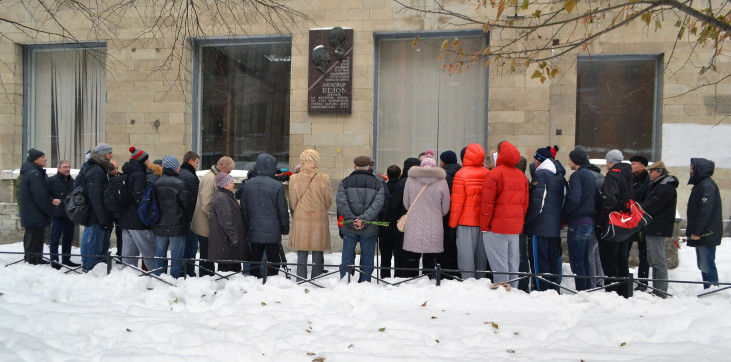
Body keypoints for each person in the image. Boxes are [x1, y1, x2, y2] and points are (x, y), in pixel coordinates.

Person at [481, 141, 530, 289]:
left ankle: (502, 292)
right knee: (512, 263)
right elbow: (525, 204)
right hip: (514, 228)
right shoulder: (521, 176)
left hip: (496, 227)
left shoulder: (494, 174)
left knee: (499, 264)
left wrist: (485, 226)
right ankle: (513, 292)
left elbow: (487, 203)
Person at [337, 156, 385, 282]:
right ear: (369, 166)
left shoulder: (345, 182)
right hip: (369, 226)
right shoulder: (378, 182)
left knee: (347, 256)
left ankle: (345, 280)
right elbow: (378, 204)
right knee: (368, 256)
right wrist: (363, 219)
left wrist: (353, 219)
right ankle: (365, 281)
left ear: (354, 166)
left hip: (349, 226)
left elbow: (341, 203)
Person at [402, 151, 450, 276]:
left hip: (414, 223)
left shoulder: (410, 180)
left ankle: (411, 281)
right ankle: (428, 280)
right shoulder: (442, 181)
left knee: (413, 256)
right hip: (435, 225)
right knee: (430, 258)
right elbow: (445, 208)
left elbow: (406, 203)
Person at [242, 153, 290, 278]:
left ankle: (254, 280)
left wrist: (246, 227)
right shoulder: (277, 185)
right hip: (272, 229)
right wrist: (285, 228)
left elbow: (244, 209)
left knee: (255, 257)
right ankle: (272, 280)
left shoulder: (248, 184)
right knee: (273, 258)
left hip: (253, 228)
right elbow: (282, 210)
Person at [525, 147, 566, 292]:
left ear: (539, 160)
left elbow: (538, 203)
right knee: (551, 261)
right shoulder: (559, 175)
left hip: (539, 226)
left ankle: (541, 290)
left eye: (535, 159)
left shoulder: (541, 174)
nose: (534, 162)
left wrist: (528, 220)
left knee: (539, 262)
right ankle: (552, 290)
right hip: (554, 227)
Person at [288, 149, 332, 281]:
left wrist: (302, 209)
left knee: (302, 250)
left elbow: (292, 201)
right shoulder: (323, 178)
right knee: (318, 249)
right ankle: (316, 277)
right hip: (319, 217)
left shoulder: (294, 178)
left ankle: (300, 277)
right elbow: (328, 201)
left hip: (301, 216)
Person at [449, 143, 489, 280]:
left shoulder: (461, 174)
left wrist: (452, 225)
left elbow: (457, 203)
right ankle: (481, 281)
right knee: (481, 257)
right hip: (483, 222)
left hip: (465, 222)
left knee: (466, 256)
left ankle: (468, 282)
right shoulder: (488, 173)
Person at [597, 149, 633, 298]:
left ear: (609, 162)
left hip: (613, 221)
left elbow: (609, 200)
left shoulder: (613, 175)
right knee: (621, 257)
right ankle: (624, 290)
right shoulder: (628, 174)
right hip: (625, 221)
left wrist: (600, 221)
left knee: (609, 257)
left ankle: (612, 291)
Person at [191, 156, 234, 277]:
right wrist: (218, 220)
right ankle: (206, 276)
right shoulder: (211, 179)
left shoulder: (214, 177)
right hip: (205, 223)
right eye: (229, 171)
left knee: (208, 252)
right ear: (222, 168)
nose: (229, 174)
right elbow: (207, 204)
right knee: (206, 253)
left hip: (207, 222)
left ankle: (208, 275)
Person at [640, 161, 678, 296]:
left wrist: (640, 207)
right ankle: (657, 289)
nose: (650, 174)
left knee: (658, 261)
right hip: (655, 227)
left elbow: (651, 206)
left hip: (657, 228)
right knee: (655, 261)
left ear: (659, 172)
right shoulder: (661, 186)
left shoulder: (664, 187)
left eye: (652, 171)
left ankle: (661, 291)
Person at [562, 147, 597, 291]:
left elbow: (574, 199)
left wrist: (566, 214)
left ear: (575, 160)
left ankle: (582, 290)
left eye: (570, 159)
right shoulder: (590, 175)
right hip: (590, 222)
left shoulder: (577, 175)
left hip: (578, 222)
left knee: (577, 261)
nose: (569, 162)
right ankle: (588, 288)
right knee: (585, 259)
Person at [686, 158, 722, 289]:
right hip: (704, 232)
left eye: (692, 168)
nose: (690, 171)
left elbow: (704, 211)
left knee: (707, 264)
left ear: (699, 169)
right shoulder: (702, 184)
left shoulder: (706, 185)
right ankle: (708, 288)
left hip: (706, 233)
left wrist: (697, 231)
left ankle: (712, 289)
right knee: (703, 264)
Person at [153, 156, 190, 278]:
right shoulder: (179, 183)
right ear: (174, 167)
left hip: (160, 224)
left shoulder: (157, 183)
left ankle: (159, 276)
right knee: (176, 256)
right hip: (177, 224)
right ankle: (174, 279)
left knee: (160, 254)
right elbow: (186, 204)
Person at [119, 147, 156, 271]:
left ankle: (127, 276)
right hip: (138, 220)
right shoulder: (139, 174)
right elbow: (139, 197)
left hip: (126, 218)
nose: (148, 161)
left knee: (129, 253)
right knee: (150, 251)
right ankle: (156, 276)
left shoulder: (126, 172)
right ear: (142, 160)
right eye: (147, 159)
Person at [80, 143, 114, 271]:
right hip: (95, 213)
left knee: (98, 241)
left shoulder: (99, 168)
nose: (111, 155)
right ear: (103, 154)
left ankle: (94, 266)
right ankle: (90, 267)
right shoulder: (96, 170)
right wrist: (102, 217)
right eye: (109, 153)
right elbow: (96, 196)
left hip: (98, 212)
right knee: (93, 241)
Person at [19, 149, 55, 265]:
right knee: (35, 240)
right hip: (35, 215)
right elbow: (40, 196)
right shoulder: (35, 174)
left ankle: (34, 260)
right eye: (43, 157)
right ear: (36, 160)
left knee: (32, 240)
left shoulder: (31, 172)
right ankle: (34, 262)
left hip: (31, 214)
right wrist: (50, 211)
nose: (46, 159)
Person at [209, 172, 249, 272]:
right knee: (227, 272)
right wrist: (234, 238)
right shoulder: (222, 198)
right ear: (224, 184)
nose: (233, 184)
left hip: (228, 243)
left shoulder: (226, 196)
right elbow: (227, 221)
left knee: (232, 270)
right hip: (226, 243)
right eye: (231, 182)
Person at [390, 157, 421, 277]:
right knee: (414, 253)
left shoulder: (401, 183)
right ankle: (412, 275)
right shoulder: (421, 183)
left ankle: (401, 276)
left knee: (401, 252)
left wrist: (393, 224)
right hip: (417, 223)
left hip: (402, 223)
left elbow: (394, 205)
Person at [46, 160, 79, 268]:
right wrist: (52, 200)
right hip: (57, 213)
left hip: (70, 214)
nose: (67, 169)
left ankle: (66, 259)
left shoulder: (73, 181)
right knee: (55, 238)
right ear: (59, 168)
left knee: (68, 238)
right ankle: (54, 260)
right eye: (65, 167)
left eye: (69, 167)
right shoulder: (51, 181)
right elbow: (44, 195)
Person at [627, 155, 651, 290]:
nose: (631, 166)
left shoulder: (647, 181)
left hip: (642, 223)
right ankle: (623, 279)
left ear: (642, 166)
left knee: (644, 254)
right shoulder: (629, 179)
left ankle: (643, 282)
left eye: (634, 164)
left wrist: (634, 207)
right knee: (625, 250)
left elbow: (646, 202)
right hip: (629, 221)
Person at [439, 150, 461, 278]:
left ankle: (446, 273)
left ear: (443, 161)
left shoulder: (444, 176)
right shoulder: (461, 172)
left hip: (446, 214)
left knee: (446, 245)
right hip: (460, 215)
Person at [178, 151, 200, 277]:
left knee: (183, 247)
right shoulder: (190, 176)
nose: (197, 165)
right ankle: (188, 272)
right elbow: (195, 198)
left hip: (181, 217)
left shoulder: (180, 173)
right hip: (190, 217)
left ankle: (183, 270)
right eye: (196, 163)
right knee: (190, 247)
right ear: (190, 161)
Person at [379, 165, 402, 278]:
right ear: (400, 174)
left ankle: (384, 276)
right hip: (399, 225)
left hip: (384, 225)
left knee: (385, 256)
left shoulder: (383, 187)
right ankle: (398, 276)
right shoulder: (402, 187)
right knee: (399, 255)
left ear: (387, 175)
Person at [109, 159, 124, 258]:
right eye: (113, 169)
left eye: (117, 168)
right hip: (109, 210)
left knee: (120, 232)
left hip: (119, 209)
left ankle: (120, 252)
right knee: (107, 232)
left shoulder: (121, 177)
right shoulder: (106, 178)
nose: (116, 171)